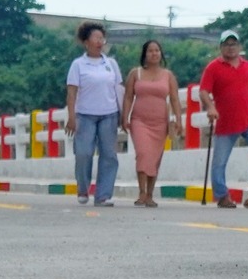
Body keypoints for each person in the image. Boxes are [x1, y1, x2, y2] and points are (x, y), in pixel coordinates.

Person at [198, 30, 248, 208]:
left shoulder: (247, 66)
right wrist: (210, 107)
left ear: (239, 46)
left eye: (234, 44)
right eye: (227, 44)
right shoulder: (213, 67)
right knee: (219, 161)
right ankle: (222, 195)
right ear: (221, 47)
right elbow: (203, 91)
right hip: (226, 120)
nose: (231, 48)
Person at [64, 22, 123, 206]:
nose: (100, 42)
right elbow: (72, 92)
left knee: (109, 155)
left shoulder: (110, 64)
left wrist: (123, 114)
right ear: (86, 41)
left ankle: (103, 195)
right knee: (83, 153)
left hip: (109, 114)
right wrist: (72, 117)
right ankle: (83, 188)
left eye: (101, 38)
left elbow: (118, 89)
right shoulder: (78, 65)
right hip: (85, 115)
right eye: (96, 38)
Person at [120, 39, 182, 208]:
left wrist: (178, 120)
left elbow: (175, 99)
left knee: (155, 158)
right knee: (143, 153)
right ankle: (141, 192)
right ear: (144, 54)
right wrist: (124, 117)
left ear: (161, 54)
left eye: (157, 50)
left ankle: (150, 194)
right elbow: (128, 97)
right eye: (150, 51)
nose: (154, 53)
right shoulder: (136, 73)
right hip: (139, 121)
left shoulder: (168, 75)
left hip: (160, 122)